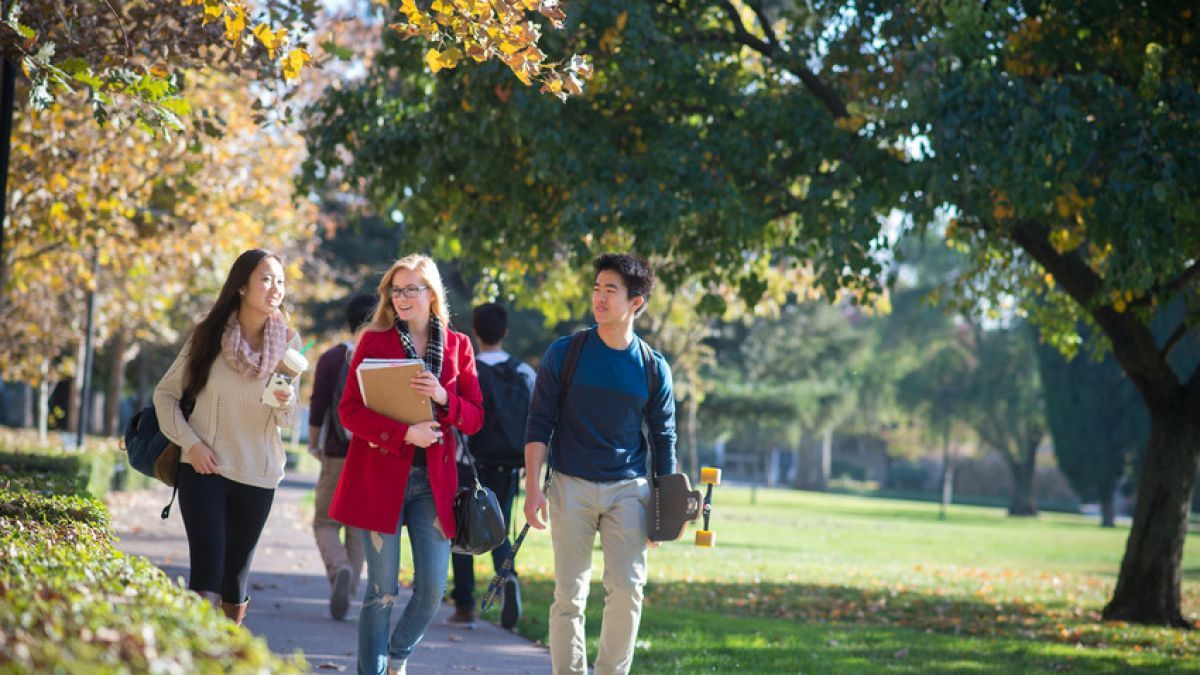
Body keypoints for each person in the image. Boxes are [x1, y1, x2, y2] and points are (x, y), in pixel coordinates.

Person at [328, 254, 484, 675]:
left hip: (433, 486)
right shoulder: (373, 343)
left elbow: (475, 415)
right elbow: (349, 413)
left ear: (431, 295)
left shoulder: (458, 347)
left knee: (433, 587)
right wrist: (402, 434)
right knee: (381, 591)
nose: (401, 298)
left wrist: (444, 398)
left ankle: (397, 656)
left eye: (411, 289)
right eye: (395, 290)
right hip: (379, 479)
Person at [524, 253, 677, 675]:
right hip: (570, 484)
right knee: (569, 596)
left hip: (628, 489)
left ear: (636, 302)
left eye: (611, 290)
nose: (600, 297)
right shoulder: (565, 353)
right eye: (596, 288)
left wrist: (666, 510)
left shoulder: (652, 368)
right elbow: (539, 424)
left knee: (628, 590)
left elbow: (664, 440)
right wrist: (533, 487)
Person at [154, 248, 303, 625]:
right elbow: (165, 395)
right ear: (242, 286)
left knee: (235, 581)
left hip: (259, 475)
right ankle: (198, 657)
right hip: (205, 471)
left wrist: (286, 401)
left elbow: (285, 420)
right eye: (266, 279)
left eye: (280, 281)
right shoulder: (209, 335)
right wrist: (192, 444)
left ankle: (226, 656)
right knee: (206, 574)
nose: (275, 289)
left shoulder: (288, 342)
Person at [447, 303, 536, 629]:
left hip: (470, 462)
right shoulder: (525, 372)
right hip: (510, 465)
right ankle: (505, 578)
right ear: (506, 331)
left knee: (462, 530)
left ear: (475, 331)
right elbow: (535, 422)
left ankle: (465, 604)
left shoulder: (466, 371)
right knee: (500, 529)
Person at [307, 293, 377, 620]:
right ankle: (347, 592)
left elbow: (319, 404)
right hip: (372, 455)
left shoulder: (333, 359)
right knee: (359, 527)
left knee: (324, 521)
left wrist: (313, 443)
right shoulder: (383, 358)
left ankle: (339, 569)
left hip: (336, 453)